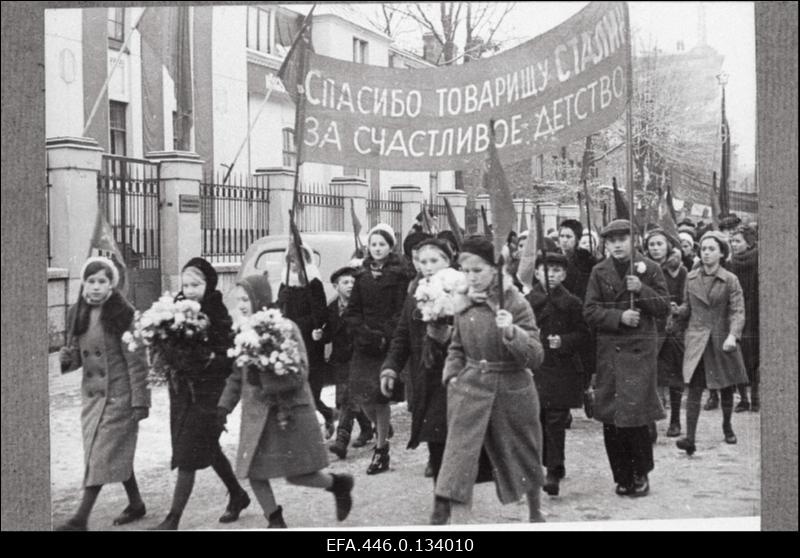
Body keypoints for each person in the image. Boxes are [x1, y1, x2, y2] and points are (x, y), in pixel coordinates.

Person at [217, 275, 354, 528]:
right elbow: (237, 376)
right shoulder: (244, 331)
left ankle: (338, 484)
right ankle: (275, 520)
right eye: (239, 301)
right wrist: (223, 408)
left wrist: (267, 376)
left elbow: (301, 371)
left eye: (246, 299)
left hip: (287, 413)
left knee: (299, 475)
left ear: (260, 298)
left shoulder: (285, 327)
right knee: (253, 472)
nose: (243, 305)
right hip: (256, 417)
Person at [432, 236, 546, 524]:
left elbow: (535, 355)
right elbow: (456, 347)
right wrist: (452, 375)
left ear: (496, 269)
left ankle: (536, 513)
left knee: (525, 457)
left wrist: (511, 333)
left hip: (512, 390)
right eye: (466, 271)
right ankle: (460, 525)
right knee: (459, 461)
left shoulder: (515, 302)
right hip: (469, 390)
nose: (471, 277)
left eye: (478, 270)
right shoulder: (463, 302)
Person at [151, 257, 249, 530]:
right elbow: (165, 345)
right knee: (205, 447)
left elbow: (228, 357)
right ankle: (238, 495)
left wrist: (206, 358)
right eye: (186, 284)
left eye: (196, 284)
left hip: (209, 393)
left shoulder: (217, 314)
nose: (190, 290)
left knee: (187, 455)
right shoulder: (173, 311)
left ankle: (173, 519)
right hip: (182, 392)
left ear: (209, 284)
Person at [55, 257, 150, 531]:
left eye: (102, 281)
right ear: (84, 283)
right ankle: (136, 503)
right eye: (91, 281)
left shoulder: (124, 314)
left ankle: (80, 519)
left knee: (101, 456)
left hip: (119, 397)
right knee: (110, 454)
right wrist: (67, 358)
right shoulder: (78, 313)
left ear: (112, 285)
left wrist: (140, 402)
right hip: (92, 399)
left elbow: (137, 362)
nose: (96, 287)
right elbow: (78, 361)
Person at [584, 220, 670, 497]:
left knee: (636, 416)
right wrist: (618, 316)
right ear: (605, 244)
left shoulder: (650, 269)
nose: (618, 244)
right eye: (612, 240)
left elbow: (663, 307)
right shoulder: (599, 272)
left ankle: (641, 472)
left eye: (623, 239)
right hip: (611, 352)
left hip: (639, 353)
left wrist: (641, 290)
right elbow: (590, 311)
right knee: (612, 418)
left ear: (634, 240)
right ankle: (621, 475)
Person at [380, 238, 453, 491]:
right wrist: (390, 367)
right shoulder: (415, 297)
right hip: (425, 375)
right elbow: (401, 337)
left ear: (448, 261)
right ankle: (442, 486)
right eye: (423, 262)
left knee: (449, 430)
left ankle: (448, 485)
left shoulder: (462, 293)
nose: (429, 266)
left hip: (456, 376)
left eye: (435, 260)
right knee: (434, 431)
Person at [344, 223, 412, 475]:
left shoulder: (399, 275)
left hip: (386, 344)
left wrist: (384, 335)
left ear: (390, 246)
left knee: (379, 398)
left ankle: (381, 450)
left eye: (382, 244)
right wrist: (362, 332)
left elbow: (401, 312)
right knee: (362, 398)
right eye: (373, 245)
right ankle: (382, 428)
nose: (377, 249)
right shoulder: (360, 276)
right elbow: (352, 311)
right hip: (364, 344)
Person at [674, 231, 749, 456]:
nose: (706, 253)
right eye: (703, 249)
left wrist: (733, 335)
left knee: (725, 387)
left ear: (721, 253)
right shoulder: (691, 278)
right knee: (695, 388)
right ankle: (690, 438)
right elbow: (688, 307)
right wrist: (678, 311)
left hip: (721, 340)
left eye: (711, 249)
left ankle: (727, 425)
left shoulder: (730, 279)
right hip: (697, 340)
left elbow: (738, 311)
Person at [525, 252, 590, 497]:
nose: (550, 275)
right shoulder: (528, 301)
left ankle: (553, 469)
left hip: (561, 368)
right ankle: (552, 462)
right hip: (536, 367)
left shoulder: (572, 303)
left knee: (555, 419)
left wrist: (563, 341)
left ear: (563, 274)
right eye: (545, 270)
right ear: (537, 273)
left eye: (555, 271)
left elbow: (584, 335)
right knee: (539, 418)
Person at [277, 243, 335, 439]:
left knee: (310, 389)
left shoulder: (314, 282)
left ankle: (326, 415)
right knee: (294, 387)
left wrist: (298, 324)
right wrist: (279, 303)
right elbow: (279, 312)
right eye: (291, 260)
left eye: (298, 260)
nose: (294, 265)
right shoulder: (285, 283)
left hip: (310, 343)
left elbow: (320, 315)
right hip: (290, 342)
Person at [316, 267, 373, 458]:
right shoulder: (331, 309)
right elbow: (328, 335)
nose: (350, 286)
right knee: (345, 400)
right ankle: (369, 427)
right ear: (335, 286)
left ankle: (342, 440)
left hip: (358, 358)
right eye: (345, 282)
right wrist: (320, 335)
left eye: (352, 282)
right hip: (340, 360)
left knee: (348, 398)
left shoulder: (362, 306)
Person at [644, 228, 688, 438]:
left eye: (659, 244)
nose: (655, 248)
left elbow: (687, 299)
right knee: (650, 376)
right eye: (652, 244)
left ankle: (676, 420)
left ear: (668, 246)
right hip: (651, 327)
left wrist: (678, 309)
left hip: (673, 328)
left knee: (674, 377)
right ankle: (651, 420)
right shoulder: (643, 269)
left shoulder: (680, 270)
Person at [729, 225, 759, 412]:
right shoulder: (730, 263)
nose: (733, 244)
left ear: (749, 243)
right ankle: (743, 399)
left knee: (754, 357)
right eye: (732, 241)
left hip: (755, 313)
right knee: (737, 356)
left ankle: (755, 398)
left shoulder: (758, 261)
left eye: (738, 241)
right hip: (736, 312)